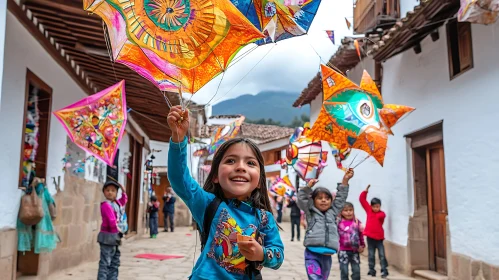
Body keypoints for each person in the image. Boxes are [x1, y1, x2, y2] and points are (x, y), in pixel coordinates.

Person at [167, 106, 284, 279]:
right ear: (214, 176)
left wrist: (261, 254)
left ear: (259, 181)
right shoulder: (207, 204)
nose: (240, 167)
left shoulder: (264, 218)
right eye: (230, 160)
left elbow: (278, 255)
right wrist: (178, 139)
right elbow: (179, 179)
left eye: (250, 163)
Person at [297, 170, 354, 280]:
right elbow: (301, 198)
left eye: (327, 198)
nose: (324, 200)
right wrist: (308, 186)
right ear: (313, 200)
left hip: (327, 256)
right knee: (314, 278)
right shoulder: (310, 212)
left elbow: (341, 199)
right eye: (319, 198)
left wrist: (345, 180)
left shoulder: (333, 212)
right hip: (312, 254)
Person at [98, 180, 127, 280]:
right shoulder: (106, 205)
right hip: (108, 236)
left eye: (113, 190)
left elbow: (123, 201)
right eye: (107, 190)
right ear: (104, 192)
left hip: (115, 236)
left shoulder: (116, 203)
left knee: (115, 261)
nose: (110, 192)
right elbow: (111, 220)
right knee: (105, 262)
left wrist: (123, 192)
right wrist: (118, 231)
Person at [360, 185, 388, 278]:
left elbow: (382, 216)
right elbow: (362, 200)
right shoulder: (369, 211)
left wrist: (378, 214)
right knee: (371, 255)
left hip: (379, 238)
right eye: (374, 206)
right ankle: (371, 270)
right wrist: (365, 191)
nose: (376, 208)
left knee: (382, 255)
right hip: (370, 238)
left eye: (378, 206)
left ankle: (384, 270)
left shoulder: (382, 214)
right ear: (371, 206)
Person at [337, 202, 365, 280]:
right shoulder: (339, 223)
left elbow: (360, 234)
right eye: (345, 210)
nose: (348, 212)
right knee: (344, 271)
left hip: (354, 251)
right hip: (343, 251)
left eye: (350, 210)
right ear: (341, 212)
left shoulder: (356, 222)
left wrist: (362, 245)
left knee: (356, 271)